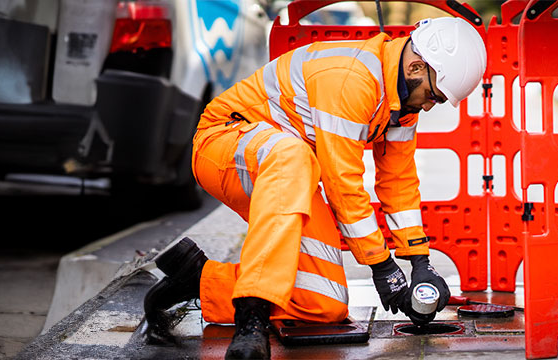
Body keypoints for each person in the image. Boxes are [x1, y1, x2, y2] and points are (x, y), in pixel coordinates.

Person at [142, 17, 487, 359]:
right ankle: (253, 316)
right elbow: (342, 184)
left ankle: (199, 279)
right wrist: (382, 265)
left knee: (324, 303)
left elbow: (398, 182)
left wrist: (419, 261)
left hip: (289, 173)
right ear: (415, 66)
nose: (429, 106)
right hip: (224, 144)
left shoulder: (401, 106)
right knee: (293, 155)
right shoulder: (353, 78)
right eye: (433, 96)